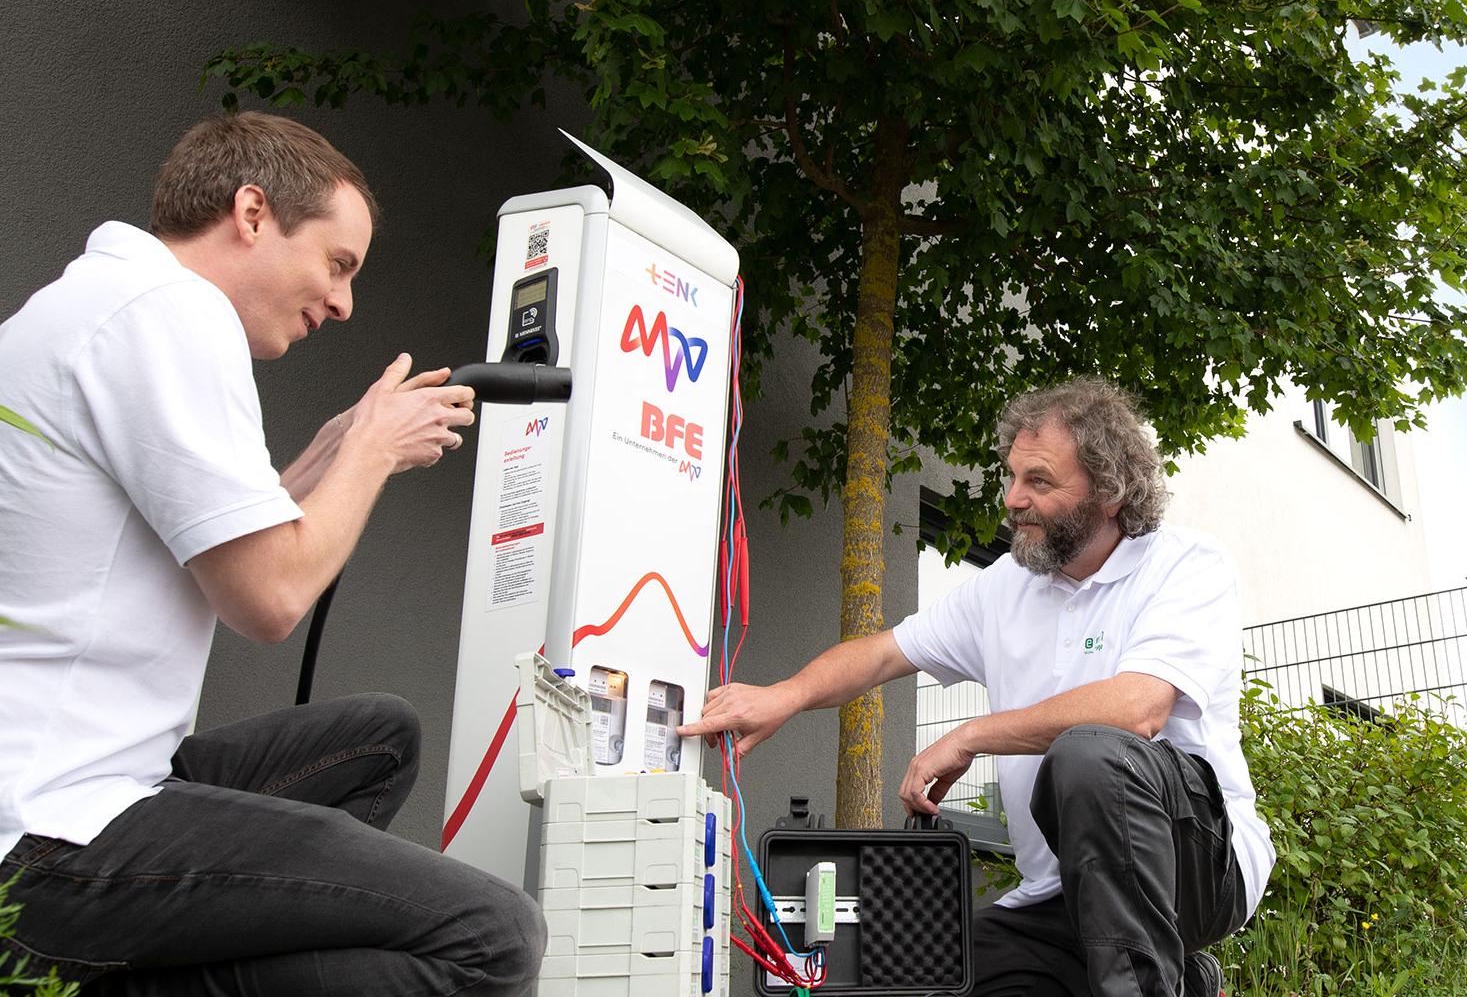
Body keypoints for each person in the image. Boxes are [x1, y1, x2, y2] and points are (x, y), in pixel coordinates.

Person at [0, 112, 544, 995]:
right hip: (46, 835)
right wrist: (371, 452)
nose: (343, 303)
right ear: (252, 213)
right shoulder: (167, 315)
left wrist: (329, 457)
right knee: (494, 935)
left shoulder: (101, 304)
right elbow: (269, 597)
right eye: (338, 264)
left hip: (91, 776)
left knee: (379, 740)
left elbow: (210, 546)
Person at [683, 377, 1274, 997]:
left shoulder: (1184, 566)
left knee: (1093, 754)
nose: (1013, 500)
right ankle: (1178, 980)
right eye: (1012, 476)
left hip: (1196, 873)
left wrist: (971, 737)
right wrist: (786, 696)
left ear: (1108, 491)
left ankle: (1163, 978)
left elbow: (1137, 709)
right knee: (935, 979)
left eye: (1039, 481)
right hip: (1058, 897)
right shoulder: (1004, 586)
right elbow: (882, 654)